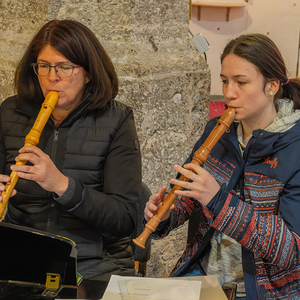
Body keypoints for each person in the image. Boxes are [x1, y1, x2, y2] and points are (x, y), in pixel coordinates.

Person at [144, 33, 300, 300]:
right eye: (225, 81)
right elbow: (191, 198)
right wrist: (165, 214)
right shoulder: (216, 132)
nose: (229, 93)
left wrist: (217, 199)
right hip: (204, 279)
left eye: (241, 82)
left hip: (264, 293)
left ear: (272, 85)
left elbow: (290, 252)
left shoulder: (294, 146)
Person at [0, 20, 141, 298]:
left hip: (92, 266)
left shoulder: (117, 120)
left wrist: (62, 185)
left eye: (64, 67)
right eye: (43, 66)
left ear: (87, 73)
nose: (52, 77)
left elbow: (125, 218)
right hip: (19, 260)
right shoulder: (10, 111)